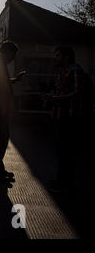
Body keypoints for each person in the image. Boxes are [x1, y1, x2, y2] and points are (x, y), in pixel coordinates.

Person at [42, 46, 93, 192]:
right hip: (60, 116)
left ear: (67, 57)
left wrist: (54, 98)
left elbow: (78, 93)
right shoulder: (62, 72)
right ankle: (61, 180)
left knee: (66, 151)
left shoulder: (75, 71)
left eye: (58, 56)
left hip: (70, 118)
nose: (55, 58)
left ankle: (65, 183)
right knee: (61, 150)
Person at [0, 41, 25, 183]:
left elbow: (3, 82)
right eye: (13, 54)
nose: (14, 58)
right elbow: (1, 86)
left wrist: (14, 80)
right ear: (8, 52)